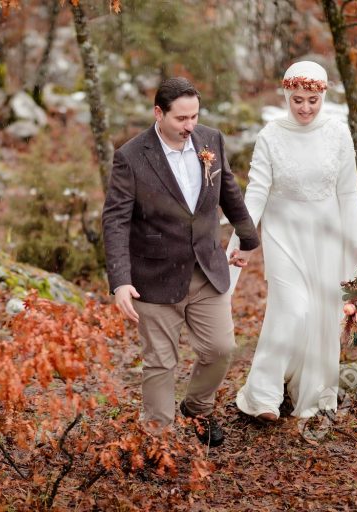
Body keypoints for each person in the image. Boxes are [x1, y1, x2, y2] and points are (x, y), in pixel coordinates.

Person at [102, 77, 260, 446]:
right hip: (154, 276)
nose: (190, 126)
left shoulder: (211, 140)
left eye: (194, 116)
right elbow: (115, 220)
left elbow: (229, 190)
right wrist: (120, 280)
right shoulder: (131, 156)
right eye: (181, 119)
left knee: (221, 349)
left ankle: (197, 410)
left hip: (207, 267)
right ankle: (158, 441)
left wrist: (248, 238)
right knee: (160, 362)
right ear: (159, 113)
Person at [227, 61, 357, 421]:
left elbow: (349, 192)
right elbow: (256, 193)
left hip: (326, 237)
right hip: (284, 237)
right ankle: (262, 394)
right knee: (292, 311)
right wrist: (242, 239)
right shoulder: (270, 136)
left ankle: (311, 390)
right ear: (286, 97)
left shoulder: (337, 134)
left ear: (323, 96)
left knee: (320, 316)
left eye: (312, 100)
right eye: (297, 100)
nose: (305, 108)